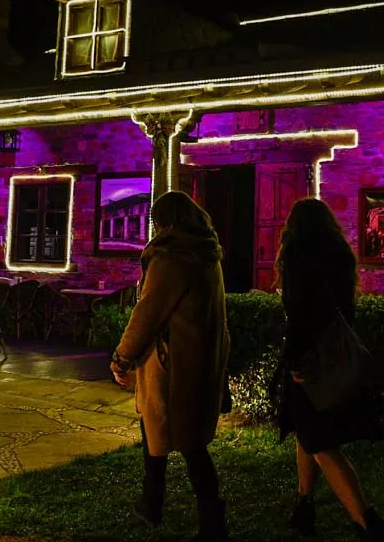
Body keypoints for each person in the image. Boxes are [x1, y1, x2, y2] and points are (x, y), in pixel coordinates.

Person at [111, 191, 231, 541]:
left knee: (188, 443)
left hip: (170, 363)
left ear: (166, 222)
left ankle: (211, 522)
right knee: (157, 431)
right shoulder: (207, 254)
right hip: (197, 358)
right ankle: (152, 503)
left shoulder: (171, 259)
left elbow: (147, 314)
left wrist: (122, 356)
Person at [274, 198, 384, 542]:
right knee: (306, 429)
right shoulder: (340, 253)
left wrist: (296, 359)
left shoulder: (299, 255)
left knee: (320, 442)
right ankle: (303, 504)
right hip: (334, 351)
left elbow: (301, 311)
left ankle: (368, 523)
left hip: (312, 358)